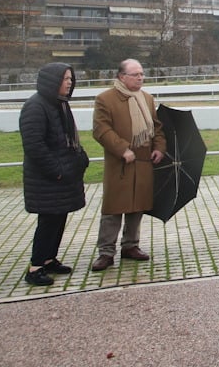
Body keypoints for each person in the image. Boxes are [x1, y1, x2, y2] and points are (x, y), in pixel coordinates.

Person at [18, 62, 90, 286]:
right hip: (48, 179)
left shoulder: (59, 105)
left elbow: (67, 139)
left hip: (63, 175)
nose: (69, 83)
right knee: (48, 221)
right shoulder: (35, 107)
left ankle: (49, 259)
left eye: (70, 79)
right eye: (65, 79)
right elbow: (34, 145)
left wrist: (80, 159)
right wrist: (57, 172)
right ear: (53, 81)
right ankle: (35, 267)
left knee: (59, 218)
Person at [91, 59, 165, 271]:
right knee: (113, 209)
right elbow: (101, 130)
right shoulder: (106, 99)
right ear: (122, 77)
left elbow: (157, 128)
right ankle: (106, 252)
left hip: (143, 162)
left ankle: (130, 246)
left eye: (142, 74)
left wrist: (159, 147)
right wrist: (122, 149)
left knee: (137, 207)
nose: (140, 78)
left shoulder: (147, 99)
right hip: (120, 164)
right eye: (135, 74)